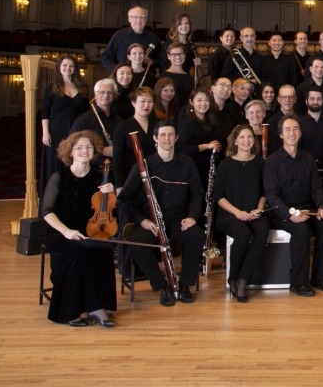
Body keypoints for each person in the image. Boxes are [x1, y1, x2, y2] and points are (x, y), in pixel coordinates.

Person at [118, 119, 205, 307]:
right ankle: (162, 285)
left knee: (197, 235)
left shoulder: (187, 163)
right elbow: (124, 199)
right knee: (137, 243)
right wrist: (142, 221)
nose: (167, 138)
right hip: (151, 222)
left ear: (177, 138)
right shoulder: (143, 166)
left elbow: (197, 194)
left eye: (171, 134)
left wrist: (192, 216)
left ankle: (184, 285)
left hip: (177, 220)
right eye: (163, 135)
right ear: (155, 138)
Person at [40, 130, 118, 327]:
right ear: (71, 151)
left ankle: (97, 306)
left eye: (89, 147)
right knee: (79, 253)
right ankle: (70, 310)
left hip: (90, 231)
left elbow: (109, 207)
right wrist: (66, 231)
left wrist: (112, 190)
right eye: (80, 147)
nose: (85, 151)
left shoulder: (101, 176)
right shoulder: (59, 177)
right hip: (60, 232)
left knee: (103, 250)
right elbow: (46, 211)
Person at [264, 115, 323, 297]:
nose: (292, 133)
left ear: (301, 133)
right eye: (287, 129)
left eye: (295, 129)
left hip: (305, 208)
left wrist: (321, 207)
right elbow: (272, 196)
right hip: (281, 212)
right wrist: (290, 215)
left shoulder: (308, 158)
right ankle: (298, 282)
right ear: (280, 134)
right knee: (301, 230)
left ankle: (318, 277)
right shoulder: (272, 162)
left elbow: (316, 187)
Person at [213, 124, 269, 303]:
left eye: (250, 137)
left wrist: (259, 209)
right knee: (243, 233)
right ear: (235, 141)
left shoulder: (260, 162)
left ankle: (243, 280)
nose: (247, 140)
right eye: (242, 137)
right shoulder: (225, 165)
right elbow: (218, 197)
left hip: (254, 212)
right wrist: (238, 213)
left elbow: (265, 191)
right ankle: (233, 277)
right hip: (230, 214)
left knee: (262, 231)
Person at [40, 56, 90, 192]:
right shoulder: (51, 87)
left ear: (75, 69)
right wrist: (45, 132)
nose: (67, 68)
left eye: (71, 66)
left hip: (77, 131)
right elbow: (45, 112)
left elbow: (87, 112)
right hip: (56, 131)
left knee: (76, 162)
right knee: (55, 164)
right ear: (59, 68)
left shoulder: (83, 86)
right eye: (64, 65)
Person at [111, 87, 156, 187]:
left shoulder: (157, 125)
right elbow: (117, 159)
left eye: (150, 101)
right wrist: (119, 185)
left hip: (154, 177)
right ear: (133, 103)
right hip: (130, 179)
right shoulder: (122, 127)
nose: (146, 105)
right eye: (142, 101)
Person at [68, 78, 121, 157]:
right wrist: (102, 151)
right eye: (102, 92)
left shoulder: (119, 120)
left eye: (109, 92)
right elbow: (72, 146)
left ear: (114, 95)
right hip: (92, 166)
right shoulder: (84, 120)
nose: (106, 95)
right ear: (95, 95)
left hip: (115, 165)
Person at [101, 5, 162, 71]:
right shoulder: (119, 35)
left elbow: (162, 61)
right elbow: (106, 58)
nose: (138, 20)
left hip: (147, 78)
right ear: (129, 19)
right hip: (123, 79)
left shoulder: (154, 38)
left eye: (142, 17)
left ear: (146, 19)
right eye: (135, 17)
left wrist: (152, 62)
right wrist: (117, 69)